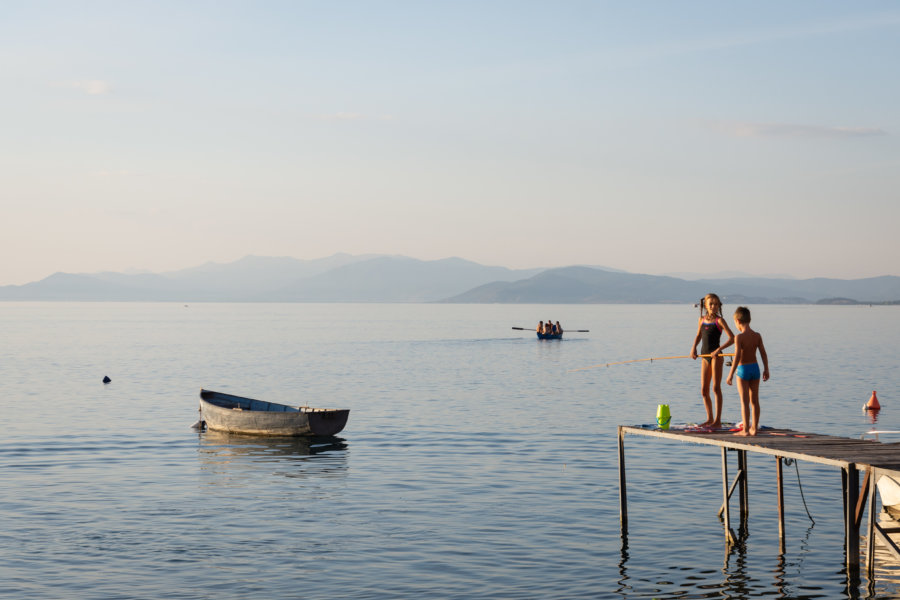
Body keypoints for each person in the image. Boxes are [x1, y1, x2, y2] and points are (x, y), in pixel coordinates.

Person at [690, 293, 735, 429]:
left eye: (716, 304)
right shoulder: (701, 320)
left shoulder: (720, 321)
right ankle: (709, 418)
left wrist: (718, 350)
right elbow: (698, 335)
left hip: (716, 357)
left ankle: (717, 420)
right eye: (711, 304)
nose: (714, 306)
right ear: (706, 306)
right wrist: (693, 348)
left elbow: (732, 338)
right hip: (704, 357)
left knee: (716, 388)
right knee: (704, 390)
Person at [726, 306, 769, 436]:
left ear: (738, 321)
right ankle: (754, 429)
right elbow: (763, 353)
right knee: (754, 401)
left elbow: (737, 356)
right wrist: (766, 369)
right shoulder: (757, 336)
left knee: (744, 402)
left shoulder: (739, 337)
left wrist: (730, 374)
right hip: (755, 369)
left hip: (743, 370)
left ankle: (745, 430)